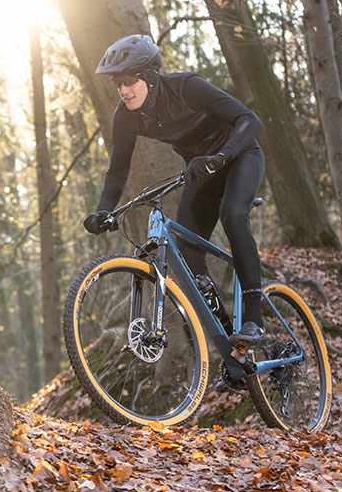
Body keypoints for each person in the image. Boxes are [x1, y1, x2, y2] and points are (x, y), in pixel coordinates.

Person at [83, 34, 267, 348]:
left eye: (129, 81)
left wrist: (220, 157)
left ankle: (255, 321)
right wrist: (104, 210)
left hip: (240, 156)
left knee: (233, 215)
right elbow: (117, 170)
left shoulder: (187, 88)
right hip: (201, 171)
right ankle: (227, 340)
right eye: (118, 84)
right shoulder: (126, 116)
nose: (123, 90)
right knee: (187, 250)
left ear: (150, 76)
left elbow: (249, 120)